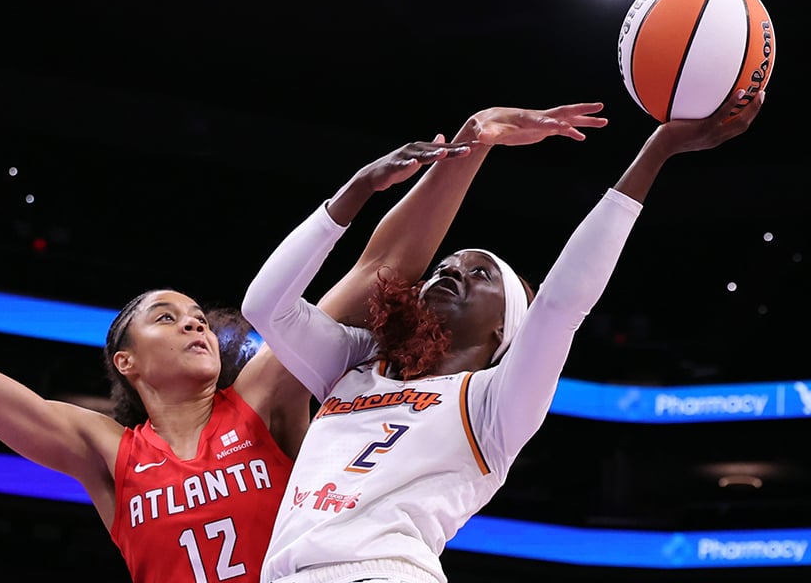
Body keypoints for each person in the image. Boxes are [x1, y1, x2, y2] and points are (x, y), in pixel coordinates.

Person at [0, 89, 606, 582]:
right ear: (125, 361)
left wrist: (463, 151)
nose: (194, 320)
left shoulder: (262, 398)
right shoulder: (105, 452)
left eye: (197, 312)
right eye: (167, 316)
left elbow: (378, 268)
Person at [242, 89, 766, 583]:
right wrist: (357, 189)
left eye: (480, 274)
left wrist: (658, 150)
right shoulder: (355, 364)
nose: (452, 272)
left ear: (505, 326)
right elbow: (265, 306)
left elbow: (563, 303)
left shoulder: (495, 404)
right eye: (445, 266)